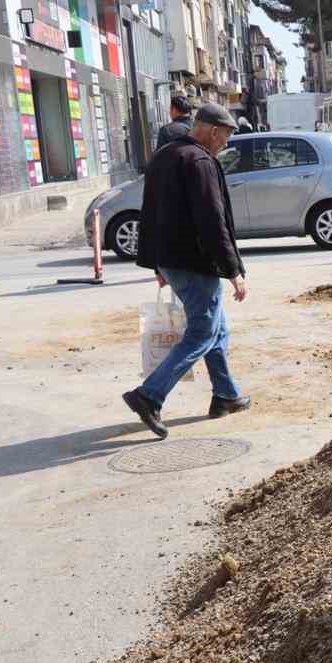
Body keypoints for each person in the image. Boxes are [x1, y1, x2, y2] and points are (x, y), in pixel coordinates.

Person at [122, 103, 250, 439]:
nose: (226, 143)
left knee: (216, 327)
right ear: (211, 130)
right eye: (225, 136)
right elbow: (212, 222)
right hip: (193, 262)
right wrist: (232, 269)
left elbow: (149, 212)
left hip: (171, 259)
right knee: (202, 332)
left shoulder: (165, 156)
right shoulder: (200, 161)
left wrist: (156, 262)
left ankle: (226, 395)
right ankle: (149, 395)